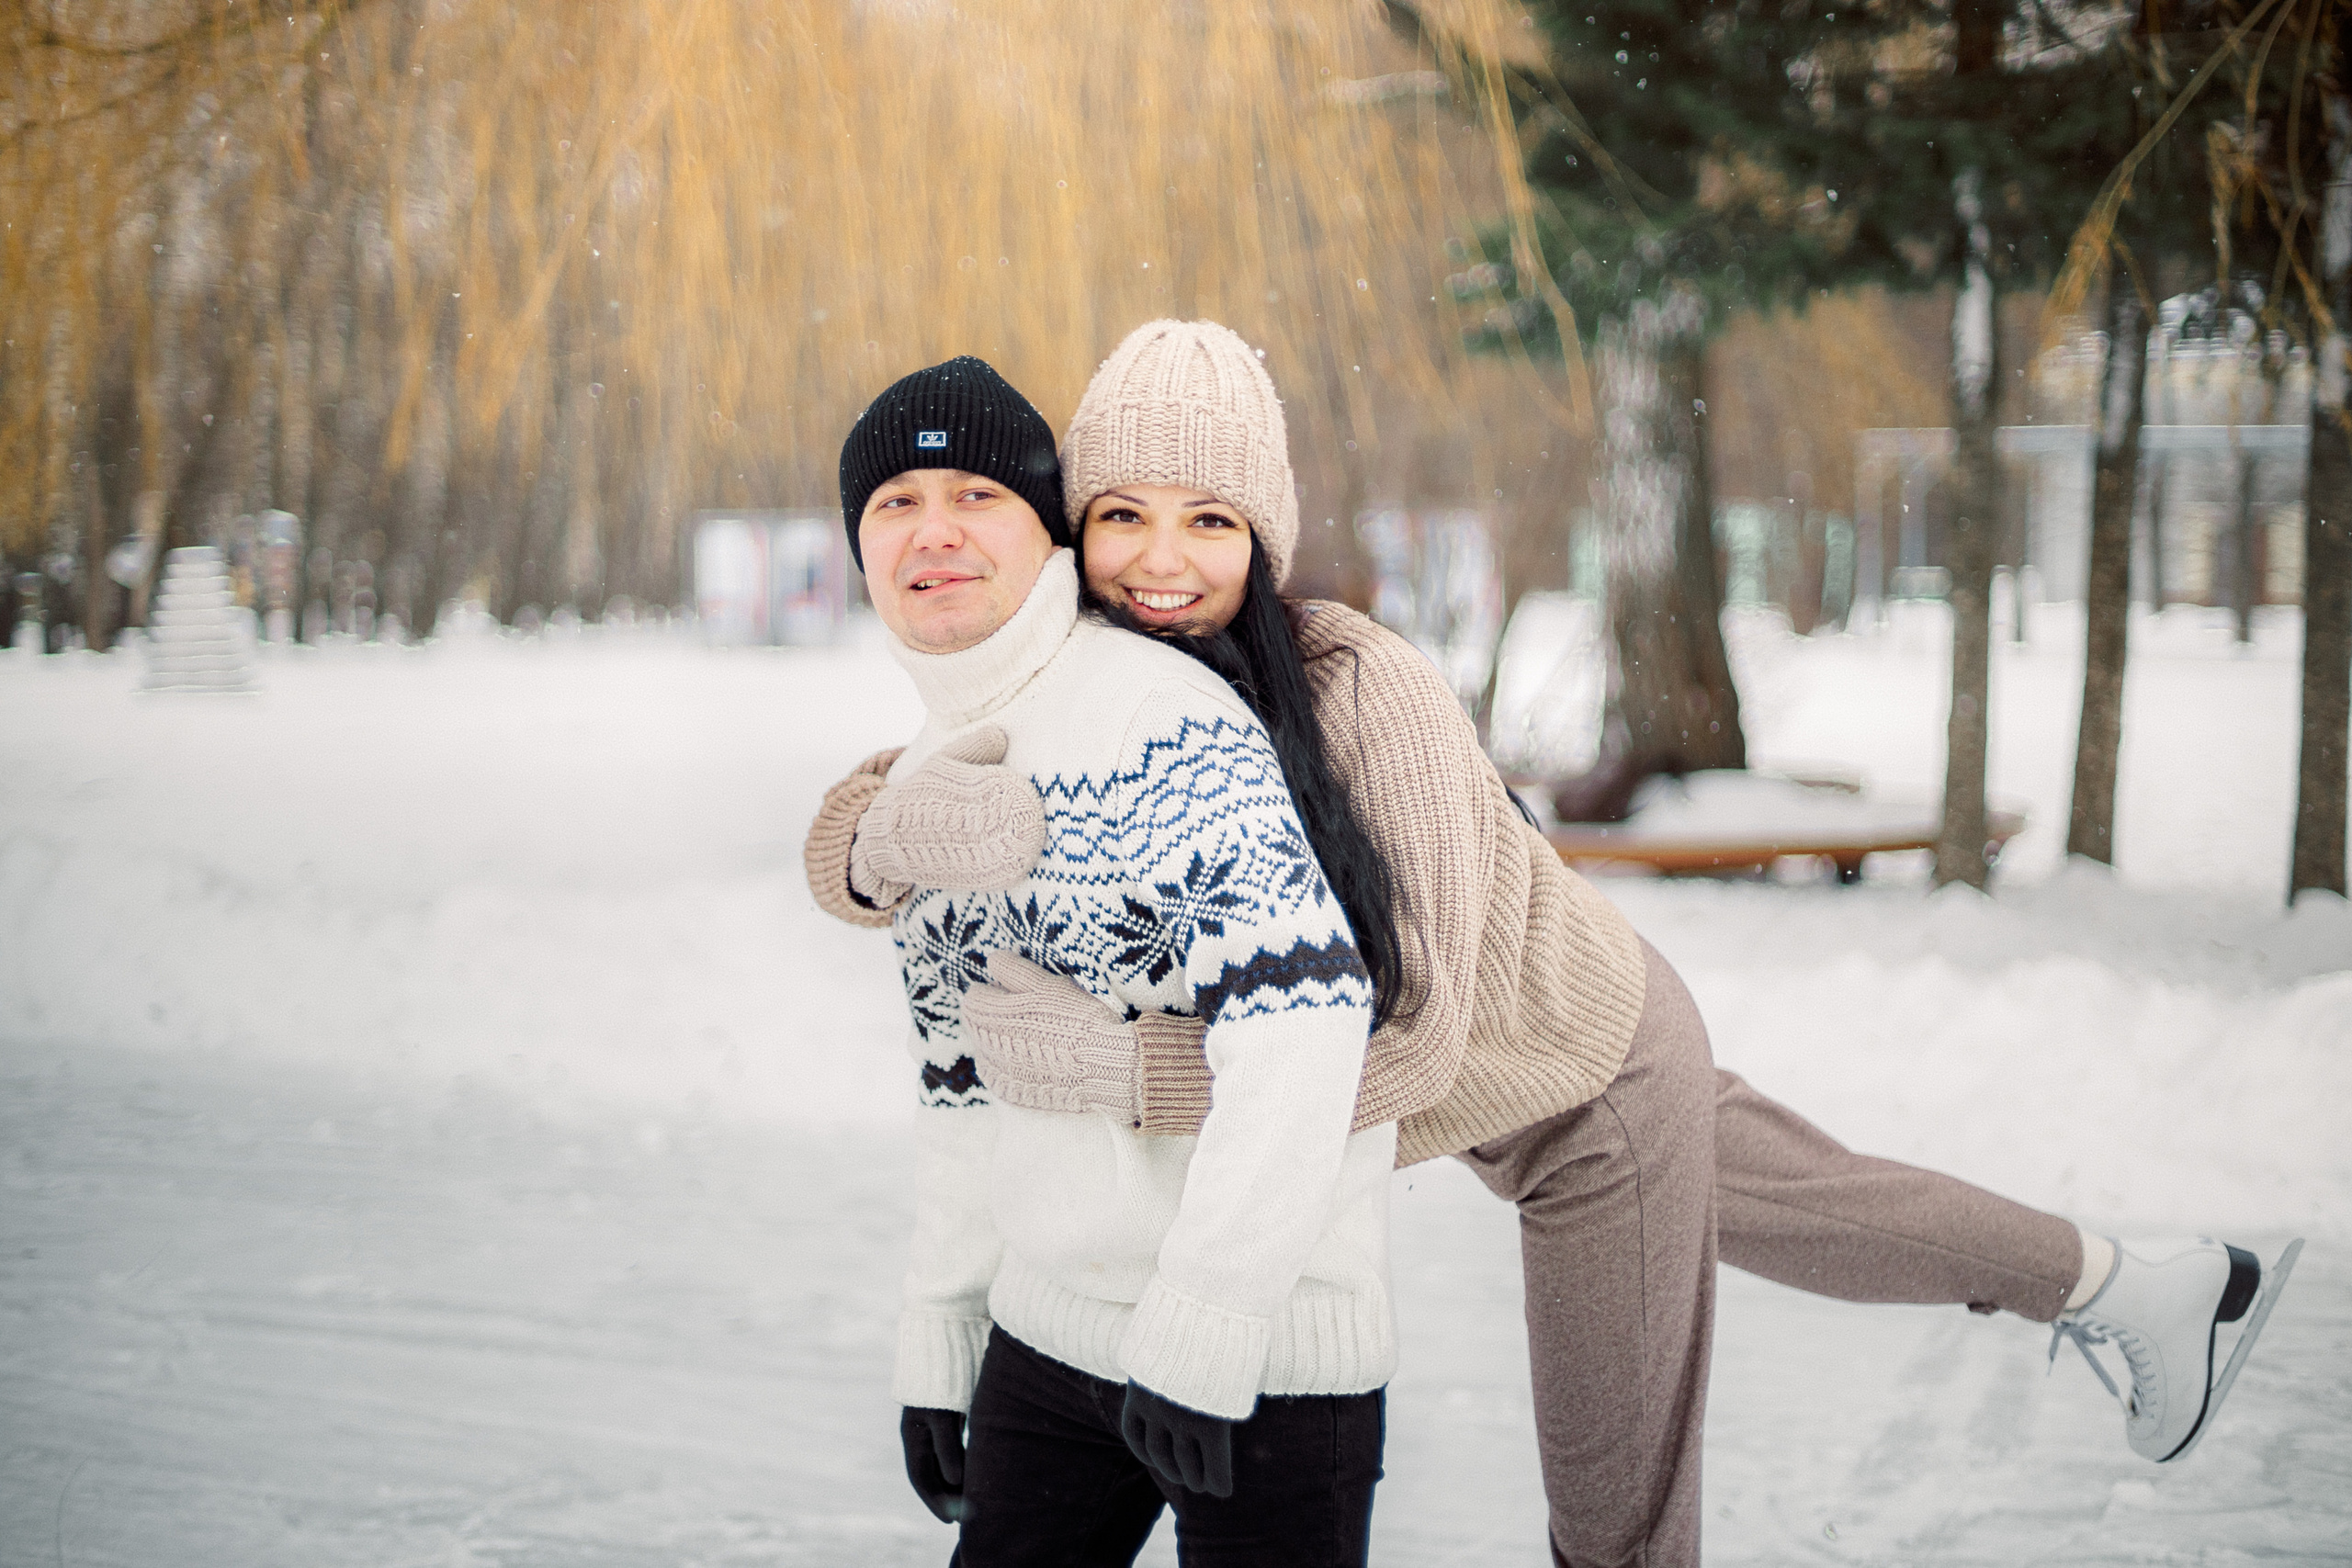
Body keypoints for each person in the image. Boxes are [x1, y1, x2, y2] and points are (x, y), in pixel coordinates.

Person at [808, 321, 2301, 1568]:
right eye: (1123, 514)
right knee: (1850, 1214)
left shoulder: (1354, 689)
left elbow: (1417, 1035)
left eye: (1211, 520)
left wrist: (1123, 1075)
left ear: (1267, 536)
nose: (1160, 560)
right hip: (1530, 1064)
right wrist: (862, 847)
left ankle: (2133, 1292)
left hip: (1585, 1088)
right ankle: (2138, 1286)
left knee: (1615, 1520)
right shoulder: (1119, 679)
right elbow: (947, 769)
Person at [824, 353, 1403, 1568]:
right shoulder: (935, 772)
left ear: (1049, 536)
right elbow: (961, 1071)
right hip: (1051, 1343)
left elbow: (1303, 1023)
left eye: (975, 497)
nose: (934, 533)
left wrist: (1207, 1322)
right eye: (895, 505)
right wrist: (944, 1326)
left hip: (1264, 1360)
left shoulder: (1159, 725)